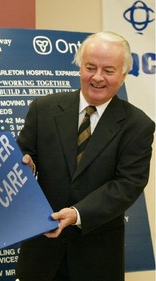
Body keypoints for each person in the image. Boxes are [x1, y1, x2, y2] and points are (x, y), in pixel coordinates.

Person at [15, 31, 155, 281]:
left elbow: (127, 185)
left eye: (109, 70)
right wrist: (24, 163)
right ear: (80, 67)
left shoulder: (138, 125)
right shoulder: (43, 108)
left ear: (123, 75)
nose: (97, 77)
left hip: (97, 259)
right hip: (40, 254)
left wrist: (77, 214)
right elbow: (23, 154)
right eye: (90, 67)